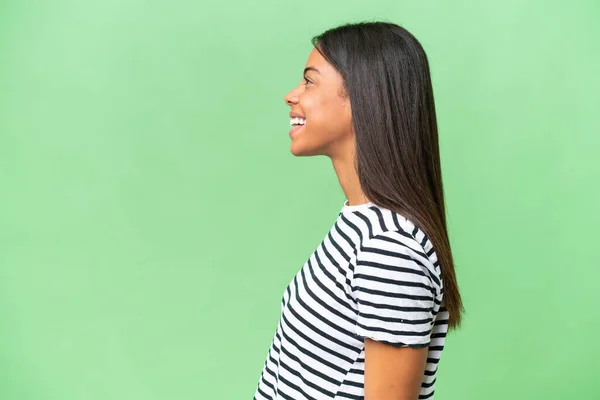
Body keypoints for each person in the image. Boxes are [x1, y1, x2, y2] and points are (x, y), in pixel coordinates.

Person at [254, 21, 464, 400]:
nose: (291, 95)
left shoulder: (391, 247)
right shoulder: (362, 223)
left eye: (309, 81)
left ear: (364, 98)